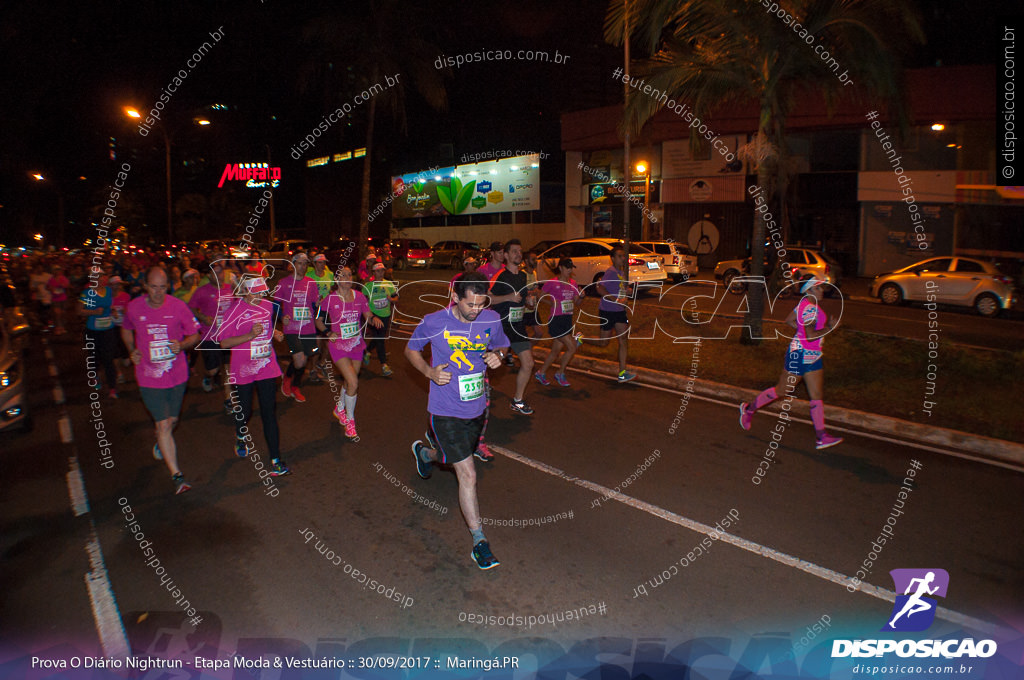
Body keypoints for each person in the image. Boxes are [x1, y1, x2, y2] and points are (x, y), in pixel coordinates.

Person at [406, 273, 510, 570]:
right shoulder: (433, 321)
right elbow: (411, 350)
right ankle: (479, 542)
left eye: (481, 303)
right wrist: (429, 372)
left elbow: (502, 345)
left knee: (449, 458)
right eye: (470, 304)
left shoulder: (490, 319)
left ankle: (424, 454)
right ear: (455, 297)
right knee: (468, 474)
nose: (476, 309)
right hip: (444, 409)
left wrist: (498, 356)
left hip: (475, 408)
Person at [121, 267, 200, 494]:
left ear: (169, 286)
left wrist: (182, 345)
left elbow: (195, 334)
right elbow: (126, 329)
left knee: (172, 420)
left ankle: (161, 442)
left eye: (162, 287)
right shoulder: (134, 307)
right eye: (153, 287)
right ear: (145, 286)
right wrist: (131, 349)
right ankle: (177, 476)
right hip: (148, 376)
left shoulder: (178, 306)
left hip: (177, 374)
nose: (158, 292)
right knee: (163, 424)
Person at [739, 277, 843, 449]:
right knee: (782, 390)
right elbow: (810, 335)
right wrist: (830, 328)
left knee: (816, 396)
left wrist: (801, 331)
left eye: (821, 288)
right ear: (809, 291)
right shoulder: (809, 309)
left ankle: (821, 437)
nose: (822, 291)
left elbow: (789, 320)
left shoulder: (805, 305)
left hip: (814, 356)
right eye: (818, 288)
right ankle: (748, 409)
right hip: (799, 355)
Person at [218, 276, 291, 475]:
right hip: (243, 368)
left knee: (269, 412)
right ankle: (241, 434)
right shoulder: (234, 311)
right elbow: (223, 343)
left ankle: (276, 460)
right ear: (245, 292)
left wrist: (275, 331)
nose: (259, 296)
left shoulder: (267, 306)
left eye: (261, 292)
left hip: (266, 365)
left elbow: (266, 325)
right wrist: (249, 336)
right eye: (255, 292)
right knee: (246, 409)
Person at [315, 266, 382, 440]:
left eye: (349, 274)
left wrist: (373, 318)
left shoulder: (359, 296)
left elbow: (367, 315)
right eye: (342, 275)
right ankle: (350, 421)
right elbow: (318, 320)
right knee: (353, 381)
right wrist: (328, 333)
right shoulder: (330, 299)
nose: (346, 277)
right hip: (338, 346)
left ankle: (339, 407)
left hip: (357, 344)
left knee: (349, 381)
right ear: (337, 280)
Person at [488, 239, 534, 415]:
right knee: (495, 363)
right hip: (502, 327)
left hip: (518, 326)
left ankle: (518, 401)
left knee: (528, 363)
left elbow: (522, 298)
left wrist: (528, 301)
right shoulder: (500, 276)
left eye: (520, 251)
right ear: (506, 255)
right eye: (514, 251)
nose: (518, 254)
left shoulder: (523, 276)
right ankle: (481, 384)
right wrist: (507, 297)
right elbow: (488, 298)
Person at [190, 260, 236, 411]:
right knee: (213, 369)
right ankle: (208, 376)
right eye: (214, 273)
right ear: (209, 276)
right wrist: (203, 317)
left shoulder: (230, 289)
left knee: (229, 369)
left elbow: (238, 306)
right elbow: (191, 308)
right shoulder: (201, 291)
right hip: (209, 336)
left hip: (228, 336)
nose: (218, 276)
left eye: (220, 272)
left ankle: (229, 400)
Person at [275, 253, 321, 402]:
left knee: (304, 359)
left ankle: (295, 386)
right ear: (293, 264)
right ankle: (288, 379)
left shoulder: (311, 283)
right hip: (292, 328)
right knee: (299, 361)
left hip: (308, 327)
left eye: (305, 264)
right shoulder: (283, 283)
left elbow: (314, 305)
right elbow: (275, 305)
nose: (303, 266)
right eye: (300, 263)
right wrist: (282, 317)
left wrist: (317, 306)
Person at [534, 257, 583, 387]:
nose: (569, 270)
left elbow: (577, 302)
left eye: (571, 267)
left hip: (567, 319)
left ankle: (541, 372)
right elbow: (540, 295)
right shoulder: (552, 282)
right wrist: (551, 303)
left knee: (555, 351)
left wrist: (581, 296)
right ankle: (560, 373)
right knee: (572, 347)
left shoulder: (573, 283)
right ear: (560, 268)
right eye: (567, 267)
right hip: (556, 319)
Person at [591, 245, 637, 382]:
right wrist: (616, 299)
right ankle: (580, 339)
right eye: (619, 256)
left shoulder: (621, 273)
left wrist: (626, 291)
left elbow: (619, 288)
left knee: (623, 340)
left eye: (624, 256)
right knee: (603, 342)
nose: (623, 258)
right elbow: (600, 288)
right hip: (607, 310)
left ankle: (622, 373)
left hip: (619, 312)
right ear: (612, 258)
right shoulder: (610, 271)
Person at [78, 270, 119, 398]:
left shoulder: (108, 291)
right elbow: (79, 311)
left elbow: (110, 305)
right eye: (100, 277)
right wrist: (94, 312)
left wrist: (113, 311)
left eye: (104, 276)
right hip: (92, 331)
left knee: (108, 359)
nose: (103, 279)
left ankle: (112, 388)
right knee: (94, 357)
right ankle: (95, 376)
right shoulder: (87, 293)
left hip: (108, 330)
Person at [362, 261, 399, 376]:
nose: (381, 273)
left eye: (382, 270)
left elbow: (396, 297)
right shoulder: (369, 285)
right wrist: (367, 313)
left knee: (379, 337)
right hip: (374, 315)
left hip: (385, 315)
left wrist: (392, 300)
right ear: (374, 272)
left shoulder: (389, 284)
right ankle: (384, 365)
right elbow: (362, 300)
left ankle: (367, 351)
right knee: (380, 340)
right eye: (378, 271)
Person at [521, 249, 543, 339]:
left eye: (536, 259)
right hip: (523, 310)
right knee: (521, 335)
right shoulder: (521, 274)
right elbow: (520, 293)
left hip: (532, 309)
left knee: (539, 333)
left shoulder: (534, 273)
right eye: (533, 259)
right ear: (526, 261)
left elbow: (535, 289)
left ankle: (528, 349)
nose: (536, 262)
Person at [47, 265, 70, 335]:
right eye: (55, 270)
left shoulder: (63, 278)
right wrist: (51, 288)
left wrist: (63, 285)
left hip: (63, 298)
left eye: (58, 270)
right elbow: (48, 287)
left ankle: (62, 327)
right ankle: (58, 327)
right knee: (57, 313)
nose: (57, 272)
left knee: (62, 313)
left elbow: (67, 285)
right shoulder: (51, 279)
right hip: (55, 298)